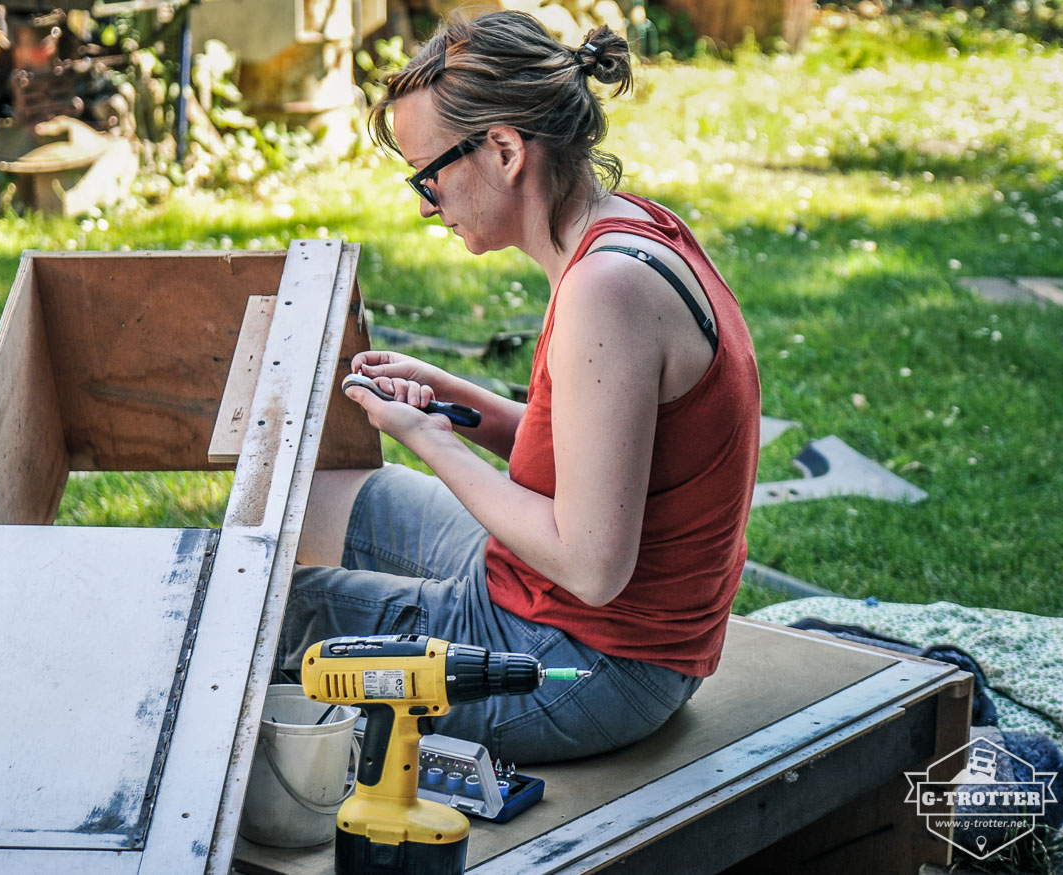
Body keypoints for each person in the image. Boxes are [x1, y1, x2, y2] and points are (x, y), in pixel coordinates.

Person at [279, 9, 760, 763]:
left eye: (428, 177)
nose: (423, 204)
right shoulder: (626, 230)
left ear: (503, 149)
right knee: (323, 494)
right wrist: (453, 401)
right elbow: (595, 444)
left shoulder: (607, 291)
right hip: (560, 610)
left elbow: (595, 568)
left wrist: (432, 440)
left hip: (584, 664)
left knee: (258, 615)